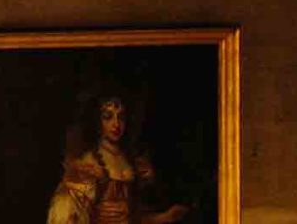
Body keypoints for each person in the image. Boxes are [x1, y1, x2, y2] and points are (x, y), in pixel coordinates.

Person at [46, 94, 190, 224]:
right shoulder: (89, 165)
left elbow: (134, 220)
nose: (116, 124)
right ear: (97, 121)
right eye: (108, 117)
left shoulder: (133, 163)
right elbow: (66, 217)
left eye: (120, 117)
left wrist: (166, 217)